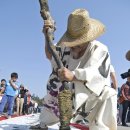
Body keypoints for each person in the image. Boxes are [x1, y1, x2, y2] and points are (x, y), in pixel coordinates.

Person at [30, 9, 117, 130]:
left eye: (79, 42)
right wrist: (46, 36)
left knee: (109, 94)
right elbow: (50, 55)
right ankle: (43, 124)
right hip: (65, 93)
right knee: (54, 91)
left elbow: (98, 73)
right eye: (73, 42)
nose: (75, 45)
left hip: (89, 95)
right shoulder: (66, 47)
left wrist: (74, 75)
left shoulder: (99, 49)